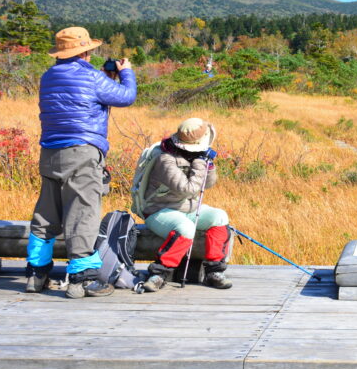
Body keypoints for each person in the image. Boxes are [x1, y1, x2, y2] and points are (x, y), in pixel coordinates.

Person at [25, 27, 137, 298]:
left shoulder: (48, 76)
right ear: (86, 50)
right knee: (83, 213)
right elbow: (126, 97)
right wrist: (126, 73)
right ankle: (81, 279)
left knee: (46, 213)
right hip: (83, 151)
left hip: (50, 151)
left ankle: (36, 274)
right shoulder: (92, 76)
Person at [140, 118, 233, 291]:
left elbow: (208, 183)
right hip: (159, 211)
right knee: (185, 228)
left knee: (219, 217)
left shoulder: (194, 155)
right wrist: (199, 162)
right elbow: (187, 189)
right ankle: (159, 273)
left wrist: (209, 165)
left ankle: (214, 271)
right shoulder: (165, 159)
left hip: (187, 209)